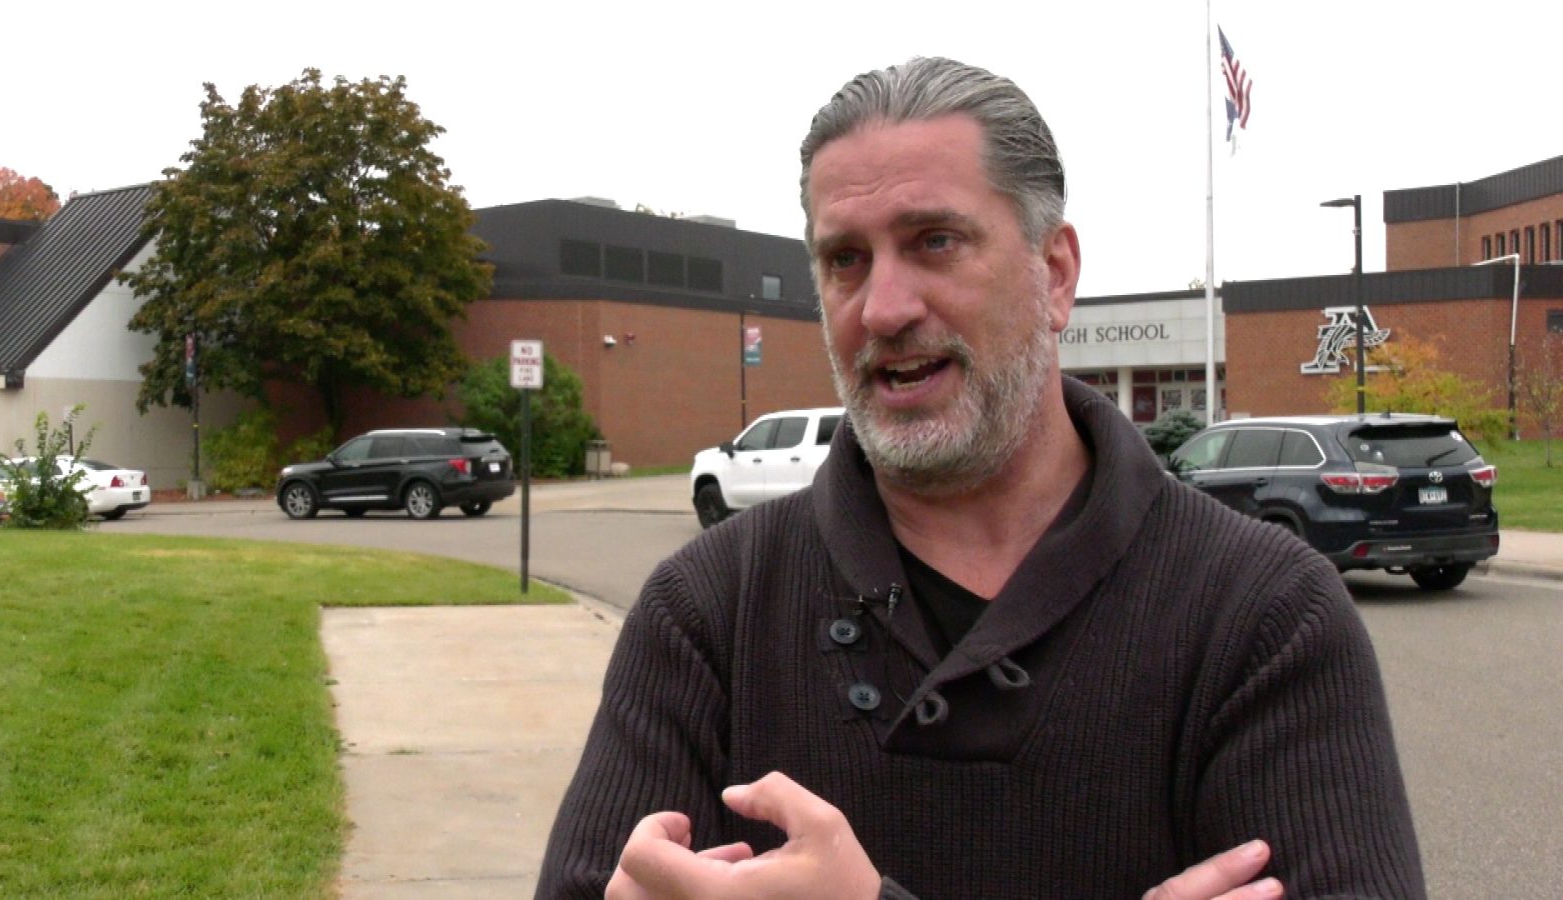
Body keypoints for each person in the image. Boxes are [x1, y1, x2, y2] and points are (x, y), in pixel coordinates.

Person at [537, 57, 1425, 899]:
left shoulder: (1263, 617)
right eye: (845, 259)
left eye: (934, 241)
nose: (883, 307)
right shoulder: (709, 613)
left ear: (1055, 273)